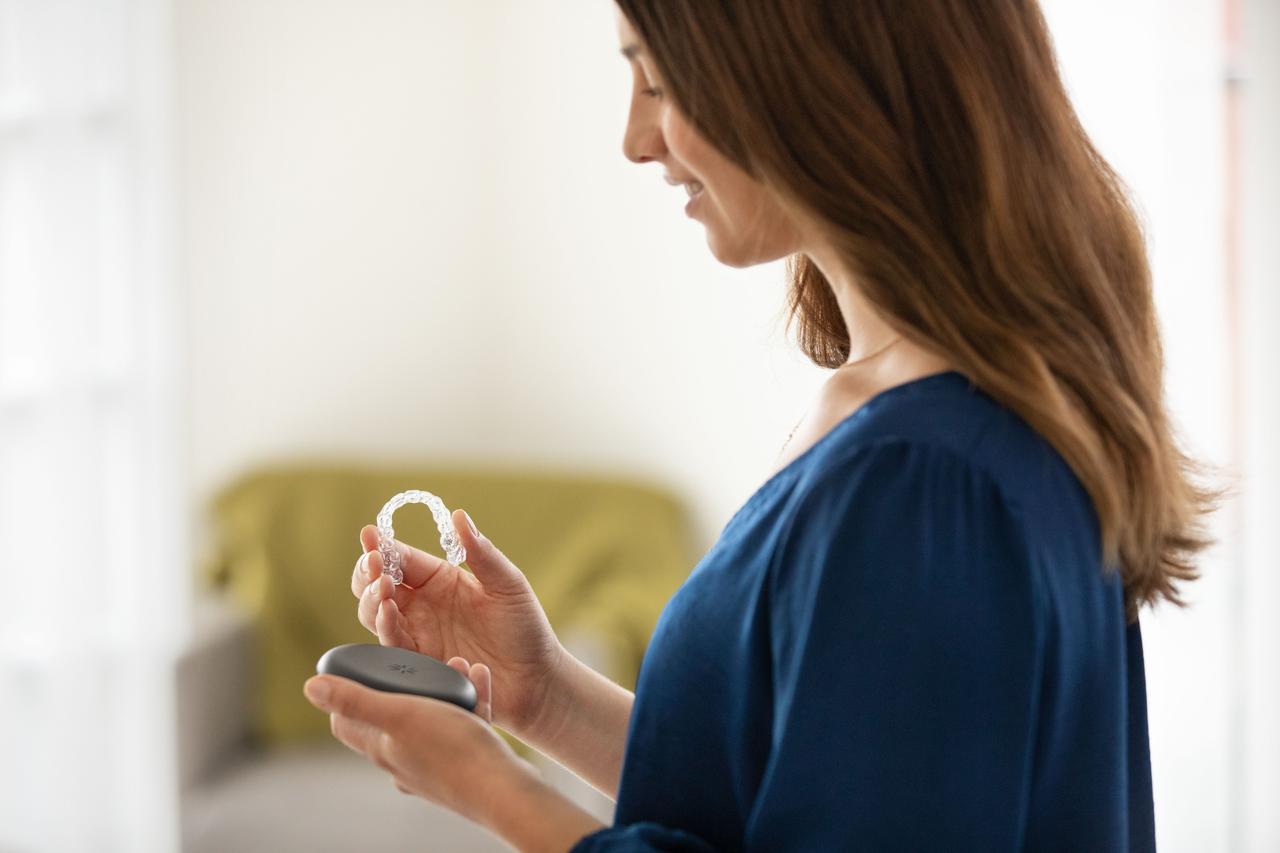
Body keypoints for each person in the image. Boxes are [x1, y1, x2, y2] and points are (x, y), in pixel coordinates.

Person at [303, 2, 1228, 850]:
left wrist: (492, 787)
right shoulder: (908, 421)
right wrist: (544, 694)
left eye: (660, 81)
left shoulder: (926, 486)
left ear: (807, 74)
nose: (634, 139)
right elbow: (800, 799)